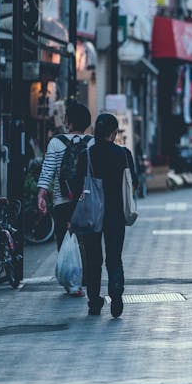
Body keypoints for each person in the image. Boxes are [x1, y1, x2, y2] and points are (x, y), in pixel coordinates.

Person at [76, 112, 137, 318]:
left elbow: (76, 184)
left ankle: (94, 301)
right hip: (116, 213)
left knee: (94, 259)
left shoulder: (87, 155)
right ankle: (116, 295)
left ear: (95, 131)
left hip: (92, 213)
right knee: (114, 257)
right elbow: (133, 183)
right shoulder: (123, 154)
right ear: (114, 132)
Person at [37, 102, 92, 296]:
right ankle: (87, 279)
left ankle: (72, 283)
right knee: (87, 240)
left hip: (62, 201)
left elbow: (48, 171)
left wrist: (41, 194)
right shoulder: (92, 143)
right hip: (86, 201)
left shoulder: (56, 142)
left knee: (65, 240)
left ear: (68, 121)